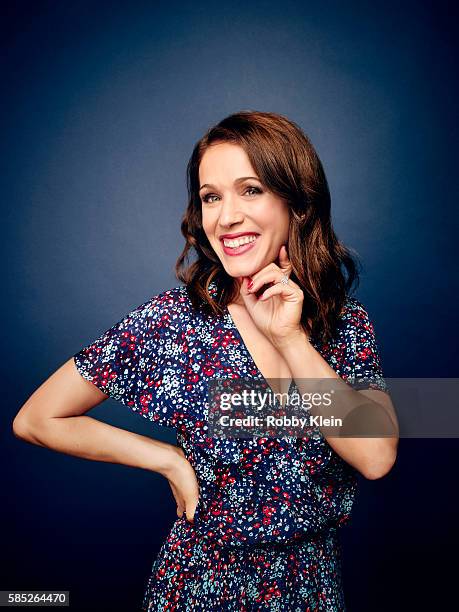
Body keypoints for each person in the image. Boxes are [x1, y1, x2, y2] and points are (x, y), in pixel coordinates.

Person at [13, 110, 399, 611]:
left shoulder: (346, 324)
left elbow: (376, 457)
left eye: (251, 190)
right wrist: (166, 459)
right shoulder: (174, 321)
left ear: (297, 203)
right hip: (201, 590)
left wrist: (289, 339)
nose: (226, 216)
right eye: (211, 196)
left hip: (312, 591)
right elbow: (36, 419)